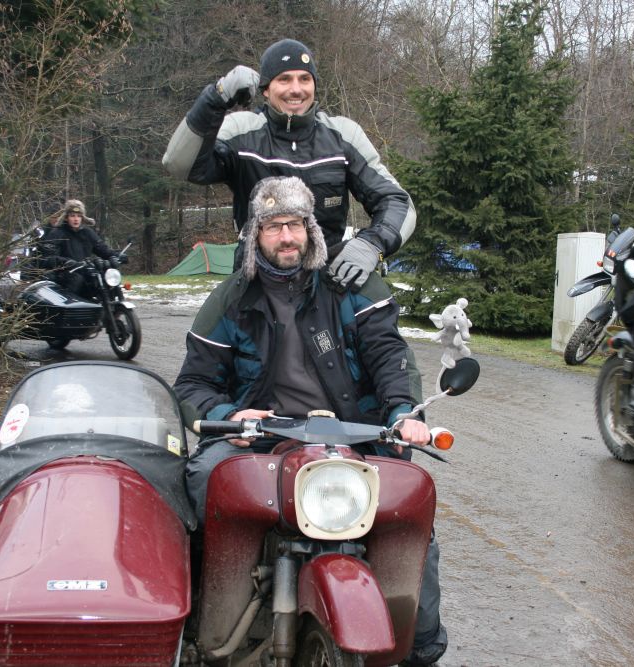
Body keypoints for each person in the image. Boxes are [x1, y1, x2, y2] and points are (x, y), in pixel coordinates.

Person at [174, 176, 447, 666]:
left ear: (311, 229)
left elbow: (391, 357)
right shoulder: (231, 299)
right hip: (261, 438)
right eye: (273, 226)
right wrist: (228, 416)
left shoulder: (352, 284)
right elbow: (192, 384)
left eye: (296, 224)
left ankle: (419, 643)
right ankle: (196, 623)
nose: (287, 237)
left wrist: (404, 414)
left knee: (409, 506)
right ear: (255, 235)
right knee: (201, 479)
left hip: (352, 432)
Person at [162, 38, 415, 290]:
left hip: (328, 287)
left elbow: (397, 201)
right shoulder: (241, 130)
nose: (296, 89)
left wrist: (372, 245)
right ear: (265, 89)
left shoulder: (344, 135)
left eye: (304, 79)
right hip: (255, 290)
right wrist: (215, 98)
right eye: (284, 79)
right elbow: (180, 164)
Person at [38, 199, 119, 297]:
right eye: (72, 216)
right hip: (63, 274)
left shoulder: (87, 232)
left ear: (82, 218)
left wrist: (117, 256)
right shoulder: (57, 233)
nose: (76, 219)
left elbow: (102, 248)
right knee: (76, 279)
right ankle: (72, 305)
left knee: (102, 278)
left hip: (84, 270)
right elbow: (48, 258)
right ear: (66, 217)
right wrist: (67, 262)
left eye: (79, 216)